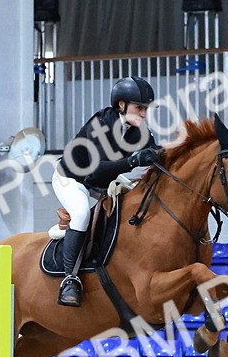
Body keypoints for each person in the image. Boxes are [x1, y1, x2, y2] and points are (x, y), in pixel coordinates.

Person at [52, 76, 162, 307]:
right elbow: (97, 172)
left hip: (103, 182)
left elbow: (156, 154)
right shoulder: (100, 126)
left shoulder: (137, 130)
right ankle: (69, 279)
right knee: (81, 214)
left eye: (145, 109)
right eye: (139, 108)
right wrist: (132, 161)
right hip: (72, 179)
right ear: (121, 105)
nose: (143, 114)